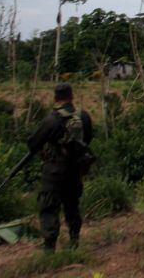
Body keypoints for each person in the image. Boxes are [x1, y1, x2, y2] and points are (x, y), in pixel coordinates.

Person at [27, 83, 93, 251]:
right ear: (72, 96)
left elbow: (33, 143)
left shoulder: (51, 120)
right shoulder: (83, 116)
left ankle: (49, 249)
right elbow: (88, 139)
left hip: (54, 172)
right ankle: (74, 242)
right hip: (74, 170)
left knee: (49, 208)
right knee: (72, 206)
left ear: (56, 98)